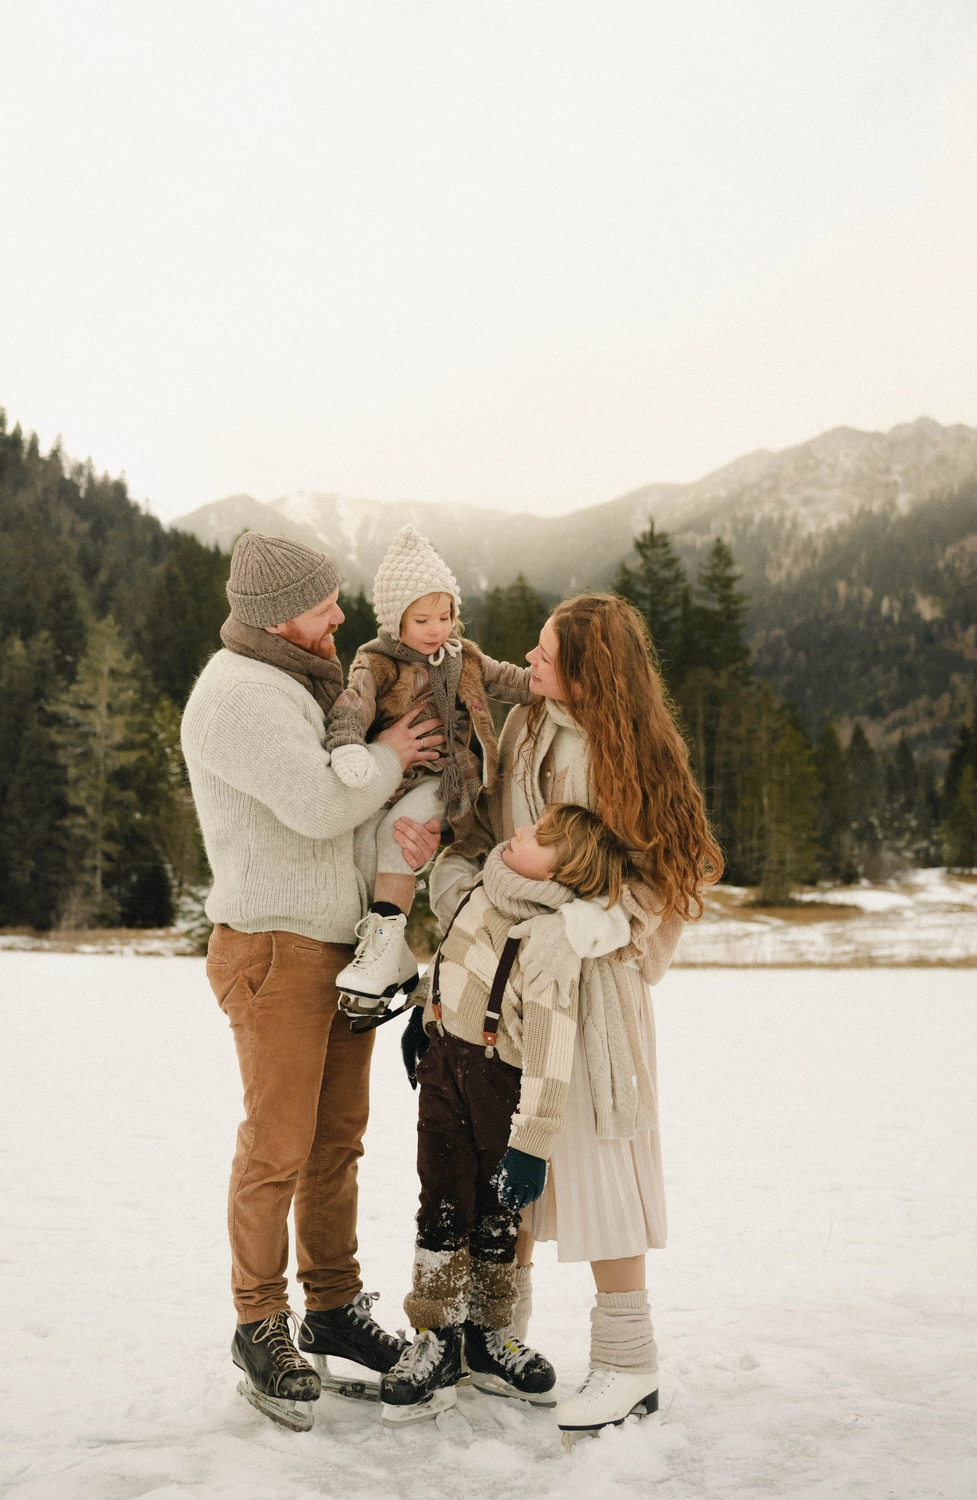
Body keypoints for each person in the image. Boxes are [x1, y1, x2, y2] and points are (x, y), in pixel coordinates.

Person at [423, 592, 723, 1441]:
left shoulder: (638, 756)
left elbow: (667, 877)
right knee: (506, 1158)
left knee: (596, 1165)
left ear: (592, 672)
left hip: (594, 992)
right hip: (506, 985)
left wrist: (589, 927)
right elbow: (483, 835)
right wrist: (465, 900)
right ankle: (498, 1338)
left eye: (548, 652)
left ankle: (628, 1363)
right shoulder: (524, 729)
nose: (531, 659)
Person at [180, 531, 443, 1432]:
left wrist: (400, 849)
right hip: (275, 948)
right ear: (276, 615)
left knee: (336, 1144)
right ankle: (259, 1322)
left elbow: (344, 818)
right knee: (278, 1146)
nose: (341, 615)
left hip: (337, 946)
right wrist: (395, 753)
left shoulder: (301, 682)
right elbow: (324, 803)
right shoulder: (238, 695)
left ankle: (331, 1306)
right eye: (324, 604)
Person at [381, 804, 640, 1426]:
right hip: (444, 1066)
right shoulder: (482, 888)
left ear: (565, 871)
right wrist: (423, 1009)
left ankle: (488, 1334)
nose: (520, 831)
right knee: (441, 1200)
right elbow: (452, 958)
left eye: (540, 836)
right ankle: (436, 1336)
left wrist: (532, 1143)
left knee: (497, 1212)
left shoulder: (551, 939)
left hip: (500, 1079)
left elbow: (552, 1052)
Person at [323, 524, 532, 1011]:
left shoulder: (463, 657)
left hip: (449, 778)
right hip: (395, 777)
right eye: (422, 620)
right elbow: (353, 704)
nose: (438, 629)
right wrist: (348, 745)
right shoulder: (378, 662)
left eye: (446, 615)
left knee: (398, 832)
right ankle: (390, 952)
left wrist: (557, 680)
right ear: (395, 620)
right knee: (364, 843)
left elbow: (512, 681)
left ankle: (384, 953)